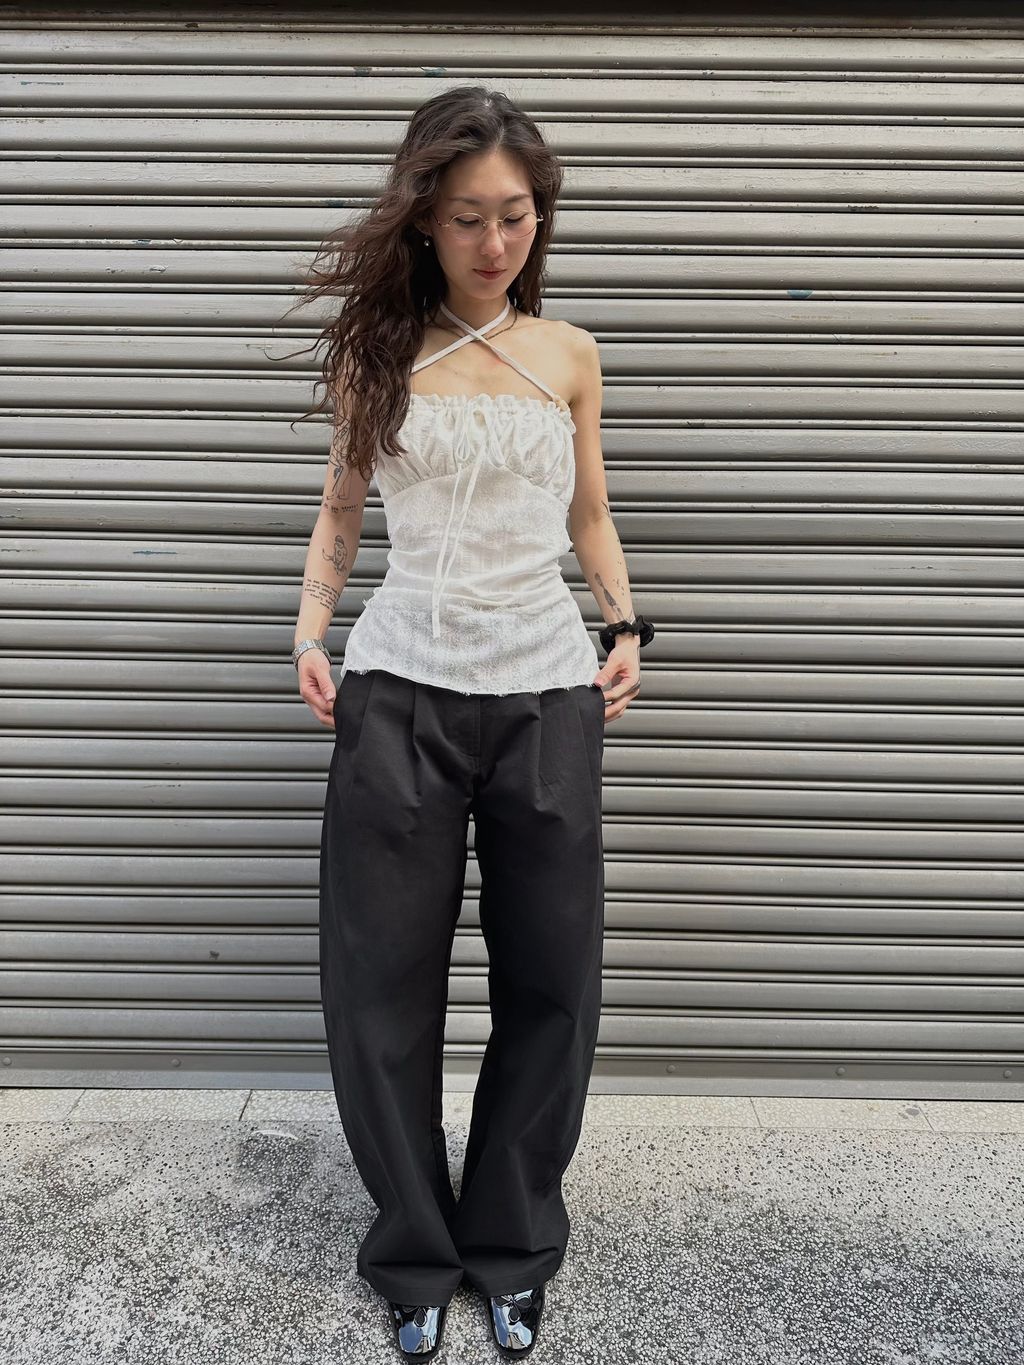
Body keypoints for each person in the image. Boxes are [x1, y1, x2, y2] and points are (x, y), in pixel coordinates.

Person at [290, 85, 654, 1360]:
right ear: (422, 221)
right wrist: (310, 633)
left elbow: (588, 513)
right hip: (401, 689)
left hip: (547, 693)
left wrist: (625, 624)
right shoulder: (378, 355)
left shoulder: (570, 355)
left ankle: (511, 1244)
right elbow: (341, 513)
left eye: (514, 215)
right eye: (465, 217)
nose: (493, 242)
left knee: (551, 978)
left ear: (538, 218)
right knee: (379, 983)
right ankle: (411, 1253)